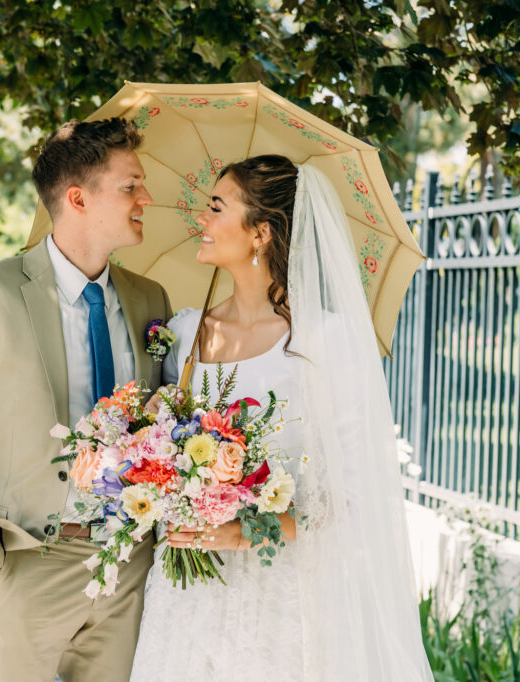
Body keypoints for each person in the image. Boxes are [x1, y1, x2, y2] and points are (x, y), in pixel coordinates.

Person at [130, 156, 434, 681]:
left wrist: (245, 533)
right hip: (186, 597)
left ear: (261, 232)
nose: (200, 220)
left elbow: (353, 492)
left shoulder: (323, 341)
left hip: (283, 593)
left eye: (216, 208)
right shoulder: (183, 334)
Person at [0, 117, 172, 682]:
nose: (146, 198)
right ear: (78, 198)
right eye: (131, 186)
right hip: (26, 567)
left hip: (128, 567)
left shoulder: (152, 300)